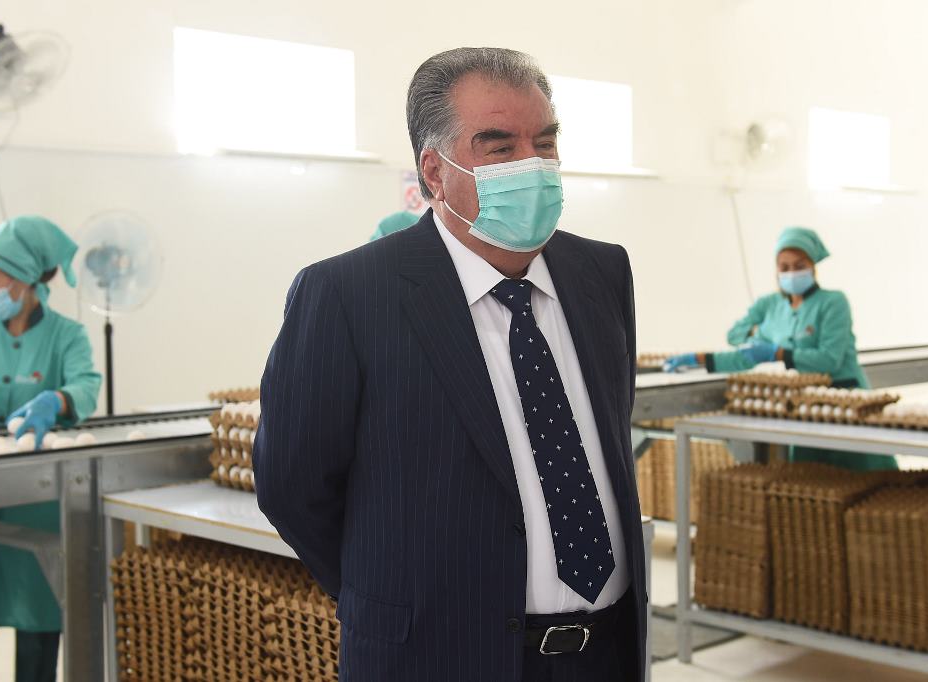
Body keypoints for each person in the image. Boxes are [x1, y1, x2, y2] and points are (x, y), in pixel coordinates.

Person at [255, 48, 646, 682]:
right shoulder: (348, 296)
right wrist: (395, 600)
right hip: (438, 655)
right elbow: (292, 487)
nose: (532, 166)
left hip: (606, 652)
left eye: (545, 143)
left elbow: (607, 434)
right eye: (500, 148)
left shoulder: (602, 273)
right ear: (435, 172)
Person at [0, 215, 102, 682]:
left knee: (36, 632)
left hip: (35, 505)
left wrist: (56, 400)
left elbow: (86, 385)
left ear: (21, 280)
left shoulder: (65, 334)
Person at [663, 226, 895, 470]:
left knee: (864, 473)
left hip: (846, 400)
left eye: (799, 265)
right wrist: (699, 359)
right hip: (806, 404)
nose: (791, 273)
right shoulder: (772, 307)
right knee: (811, 477)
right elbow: (739, 346)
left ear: (813, 266)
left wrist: (779, 353)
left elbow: (829, 359)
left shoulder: (833, 302)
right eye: (784, 267)